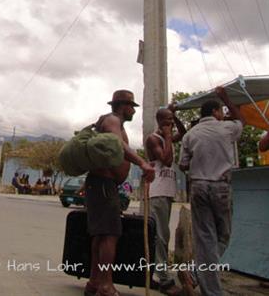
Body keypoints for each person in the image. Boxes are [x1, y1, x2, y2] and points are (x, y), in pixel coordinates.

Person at [84, 90, 155, 296]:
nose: (133, 110)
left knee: (101, 234)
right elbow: (117, 145)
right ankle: (105, 285)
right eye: (132, 106)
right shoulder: (112, 120)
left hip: (104, 185)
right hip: (103, 184)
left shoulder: (114, 123)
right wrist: (142, 163)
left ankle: (94, 282)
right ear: (122, 106)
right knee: (109, 235)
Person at [179, 86, 245, 296]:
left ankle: (195, 274)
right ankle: (207, 286)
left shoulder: (190, 135)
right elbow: (241, 120)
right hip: (221, 186)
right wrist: (225, 97)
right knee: (222, 236)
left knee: (205, 238)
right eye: (221, 111)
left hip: (198, 186)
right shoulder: (226, 129)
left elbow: (182, 165)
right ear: (216, 112)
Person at [145, 103, 186, 296]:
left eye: (172, 120)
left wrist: (175, 116)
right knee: (161, 236)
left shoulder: (165, 137)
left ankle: (154, 274)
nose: (171, 123)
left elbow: (183, 133)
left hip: (166, 193)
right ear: (160, 122)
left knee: (162, 235)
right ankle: (164, 279)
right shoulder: (154, 139)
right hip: (158, 192)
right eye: (168, 120)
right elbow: (167, 160)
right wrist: (168, 136)